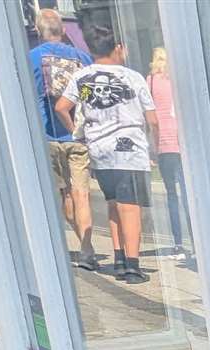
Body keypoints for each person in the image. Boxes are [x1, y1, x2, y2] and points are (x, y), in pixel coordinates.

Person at [55, 24, 157, 285]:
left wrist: (78, 133)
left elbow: (62, 107)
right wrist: (152, 145)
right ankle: (133, 266)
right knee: (130, 206)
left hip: (100, 150)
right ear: (118, 48)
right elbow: (152, 119)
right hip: (129, 148)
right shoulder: (133, 78)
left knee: (113, 201)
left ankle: (120, 257)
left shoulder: (83, 78)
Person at [26, 7, 96, 270]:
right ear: (64, 30)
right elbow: (88, 97)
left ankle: (83, 243)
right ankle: (87, 247)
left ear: (37, 30)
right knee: (82, 194)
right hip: (78, 135)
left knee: (64, 194)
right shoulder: (82, 58)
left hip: (48, 135)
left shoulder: (31, 59)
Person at [146, 47, 191, 266]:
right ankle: (196, 239)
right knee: (188, 194)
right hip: (182, 142)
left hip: (164, 143)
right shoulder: (179, 79)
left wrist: (152, 148)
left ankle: (178, 243)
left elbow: (150, 116)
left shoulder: (151, 82)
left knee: (172, 194)